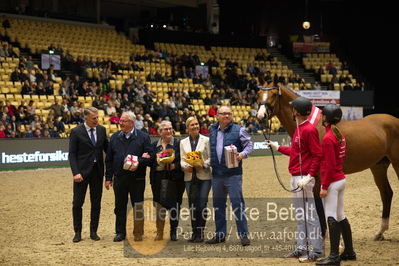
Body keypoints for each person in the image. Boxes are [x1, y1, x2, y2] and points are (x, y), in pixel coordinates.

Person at [267, 97, 324, 262]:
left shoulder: (309, 130)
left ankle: (317, 250)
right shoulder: (299, 129)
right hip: (296, 176)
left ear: (297, 111)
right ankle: (301, 247)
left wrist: (310, 176)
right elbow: (296, 151)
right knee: (301, 215)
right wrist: (278, 147)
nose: (291, 110)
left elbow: (317, 154)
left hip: (303, 177)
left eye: (293, 108)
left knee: (310, 215)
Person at [206, 105, 253, 246]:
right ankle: (220, 234)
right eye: (223, 114)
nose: (226, 116)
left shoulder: (240, 130)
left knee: (237, 205)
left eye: (229, 114)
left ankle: (243, 235)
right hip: (217, 174)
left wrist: (242, 154)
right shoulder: (212, 130)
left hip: (233, 174)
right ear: (217, 116)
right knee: (218, 205)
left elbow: (249, 145)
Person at [316, 104, 356, 265]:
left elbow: (330, 166)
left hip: (332, 181)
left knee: (331, 216)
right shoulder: (339, 135)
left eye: (322, 115)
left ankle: (333, 257)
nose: (320, 118)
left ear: (326, 118)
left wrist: (324, 186)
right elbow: (341, 157)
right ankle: (349, 251)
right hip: (341, 179)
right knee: (341, 215)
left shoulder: (327, 138)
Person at [105, 111, 152, 242]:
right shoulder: (114, 137)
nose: (120, 123)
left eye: (123, 121)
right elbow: (109, 159)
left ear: (131, 123)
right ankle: (120, 232)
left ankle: (138, 232)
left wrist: (138, 161)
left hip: (137, 179)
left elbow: (150, 158)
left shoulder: (143, 137)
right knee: (119, 206)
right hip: (119, 178)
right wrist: (108, 178)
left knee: (137, 206)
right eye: (120, 121)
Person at [68, 107, 108, 243]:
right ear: (85, 118)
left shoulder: (102, 130)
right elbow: (72, 154)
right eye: (94, 118)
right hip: (81, 173)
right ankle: (77, 232)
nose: (97, 120)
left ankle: (93, 231)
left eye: (97, 117)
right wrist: (76, 172)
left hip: (97, 172)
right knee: (78, 203)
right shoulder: (76, 132)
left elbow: (108, 150)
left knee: (96, 203)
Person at [149, 120, 185, 241]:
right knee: (159, 206)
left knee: (174, 206)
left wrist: (175, 165)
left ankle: (173, 232)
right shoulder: (154, 145)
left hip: (175, 179)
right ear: (160, 132)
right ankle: (159, 232)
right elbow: (150, 162)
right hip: (158, 179)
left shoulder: (179, 144)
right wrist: (156, 160)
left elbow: (184, 160)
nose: (169, 131)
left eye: (170, 128)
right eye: (166, 129)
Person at [180, 117, 211, 242]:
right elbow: (182, 159)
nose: (195, 126)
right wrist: (184, 167)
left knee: (202, 204)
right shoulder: (183, 142)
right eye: (192, 125)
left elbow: (211, 157)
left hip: (204, 176)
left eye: (197, 124)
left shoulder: (206, 140)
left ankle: (200, 233)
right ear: (188, 128)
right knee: (192, 205)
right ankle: (194, 233)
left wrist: (203, 164)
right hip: (189, 177)